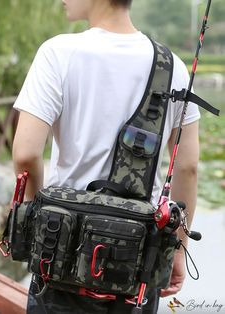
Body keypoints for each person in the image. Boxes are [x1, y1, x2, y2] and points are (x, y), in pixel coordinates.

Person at [12, 0, 200, 313]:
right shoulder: (173, 67)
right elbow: (189, 168)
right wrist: (178, 249)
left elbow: (25, 153)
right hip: (137, 264)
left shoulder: (58, 53)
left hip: (60, 256)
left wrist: (36, 224)